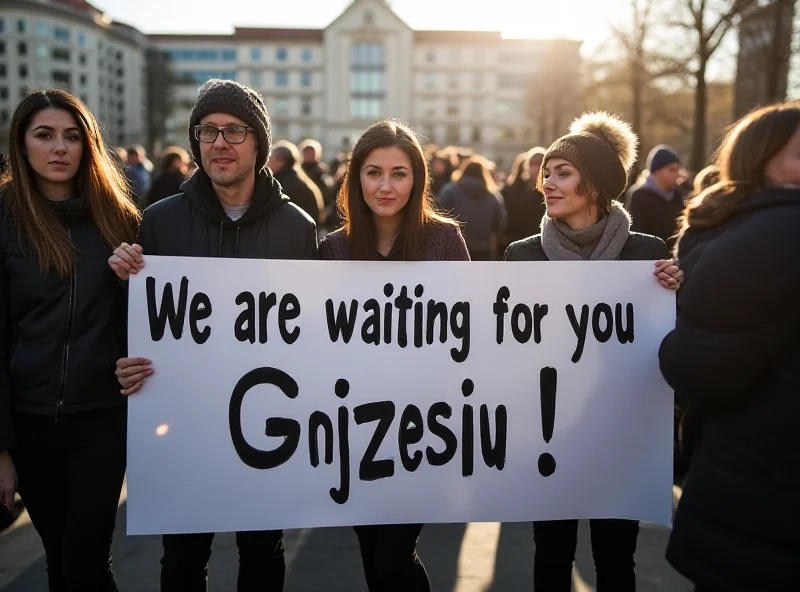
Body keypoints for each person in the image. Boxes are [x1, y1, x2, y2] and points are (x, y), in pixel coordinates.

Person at [109, 78, 317, 592]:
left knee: (262, 552)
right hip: (182, 421)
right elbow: (140, 319)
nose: (220, 143)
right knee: (181, 558)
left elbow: (313, 326)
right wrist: (125, 342)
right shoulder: (158, 221)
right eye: (207, 131)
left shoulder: (297, 226)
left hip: (267, 421)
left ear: (259, 144)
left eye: (234, 132)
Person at [504, 112, 682, 591]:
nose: (547, 183)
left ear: (597, 186)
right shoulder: (521, 256)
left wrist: (677, 290)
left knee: (616, 559)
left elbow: (667, 342)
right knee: (552, 555)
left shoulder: (646, 255)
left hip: (621, 435)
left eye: (563, 173)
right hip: (549, 431)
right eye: (547, 172)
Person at [319, 119, 469, 591]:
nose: (386, 186)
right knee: (375, 557)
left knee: (392, 557)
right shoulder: (334, 250)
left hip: (425, 428)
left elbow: (468, 334)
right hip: (357, 429)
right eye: (374, 172)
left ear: (418, 179)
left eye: (400, 173)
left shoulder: (445, 240)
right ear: (355, 178)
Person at [0, 89, 140, 590]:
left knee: (86, 561)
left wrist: (133, 281)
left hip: (101, 419)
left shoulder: (119, 218)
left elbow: (146, 322)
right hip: (29, 423)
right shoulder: (6, 218)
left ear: (88, 145)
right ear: (22, 144)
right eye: (44, 135)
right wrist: (2, 449)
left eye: (72, 136)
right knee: (61, 562)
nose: (59, 147)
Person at [659, 102, 800, 592]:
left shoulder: (764, 232)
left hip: (756, 485)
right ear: (761, 159)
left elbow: (697, 366)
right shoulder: (776, 232)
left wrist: (671, 339)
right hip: (765, 490)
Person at [438, 155, 507, 260]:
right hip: (484, 250)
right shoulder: (493, 196)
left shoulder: (449, 191)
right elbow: (501, 224)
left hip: (453, 249)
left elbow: (438, 214)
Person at [628, 144, 685, 250]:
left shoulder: (677, 195)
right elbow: (636, 234)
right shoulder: (639, 196)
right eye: (671, 170)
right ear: (657, 170)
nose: (677, 174)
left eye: (677, 170)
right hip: (650, 259)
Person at [268, 140, 325, 224]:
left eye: (270, 158)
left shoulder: (281, 183)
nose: (267, 162)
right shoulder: (298, 178)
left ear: (281, 162)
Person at [501, 147, 546, 248]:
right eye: (532, 164)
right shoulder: (515, 189)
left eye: (539, 164)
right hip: (518, 241)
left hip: (543, 242)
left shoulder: (552, 189)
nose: (536, 168)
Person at [298, 139, 335, 210]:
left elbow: (328, 191)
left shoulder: (322, 170)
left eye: (312, 153)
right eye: (307, 152)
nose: (309, 155)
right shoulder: (298, 170)